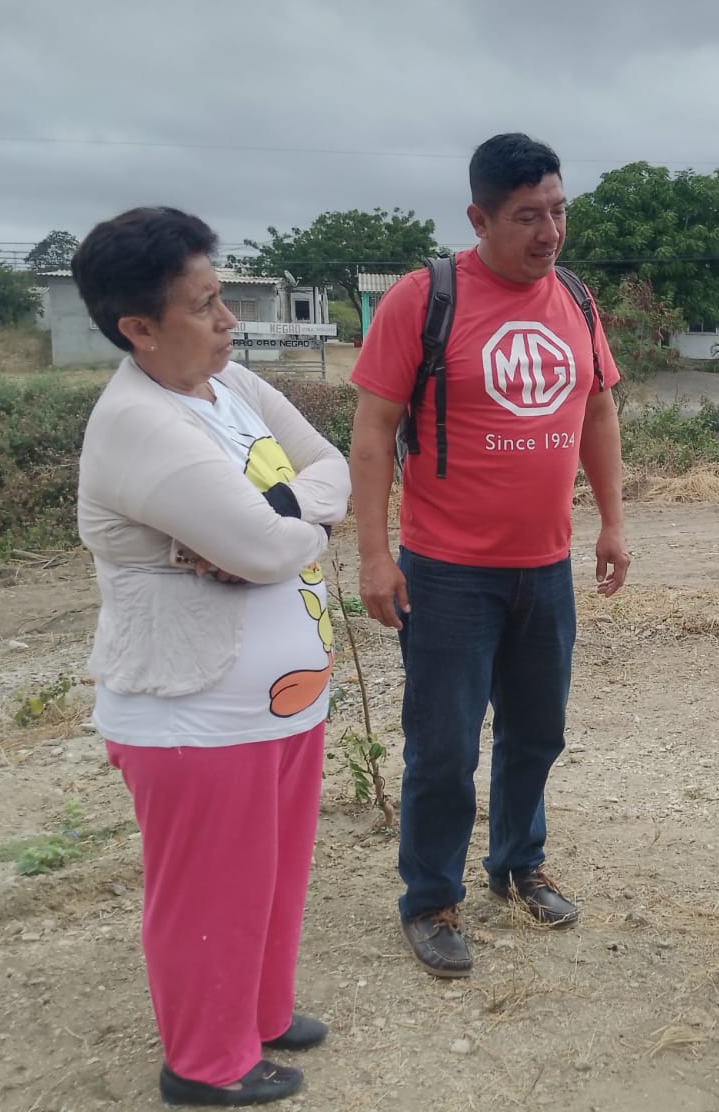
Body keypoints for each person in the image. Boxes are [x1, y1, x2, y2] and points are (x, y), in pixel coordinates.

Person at [75, 208, 350, 1104]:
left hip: (278, 703)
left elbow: (332, 467)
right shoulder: (138, 423)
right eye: (202, 306)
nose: (228, 320)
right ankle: (204, 1063)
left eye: (221, 296)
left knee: (269, 878)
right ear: (140, 328)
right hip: (195, 715)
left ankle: (258, 1014)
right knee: (208, 896)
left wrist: (281, 512)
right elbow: (266, 552)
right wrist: (291, 528)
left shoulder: (229, 386)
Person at [349, 132, 628, 978]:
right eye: (527, 217)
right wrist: (374, 555)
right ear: (479, 218)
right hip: (446, 572)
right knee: (443, 747)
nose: (550, 233)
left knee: (537, 732)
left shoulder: (574, 298)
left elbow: (598, 411)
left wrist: (612, 522)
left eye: (558, 212)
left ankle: (517, 864)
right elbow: (373, 432)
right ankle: (431, 898)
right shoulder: (422, 299)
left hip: (544, 567)